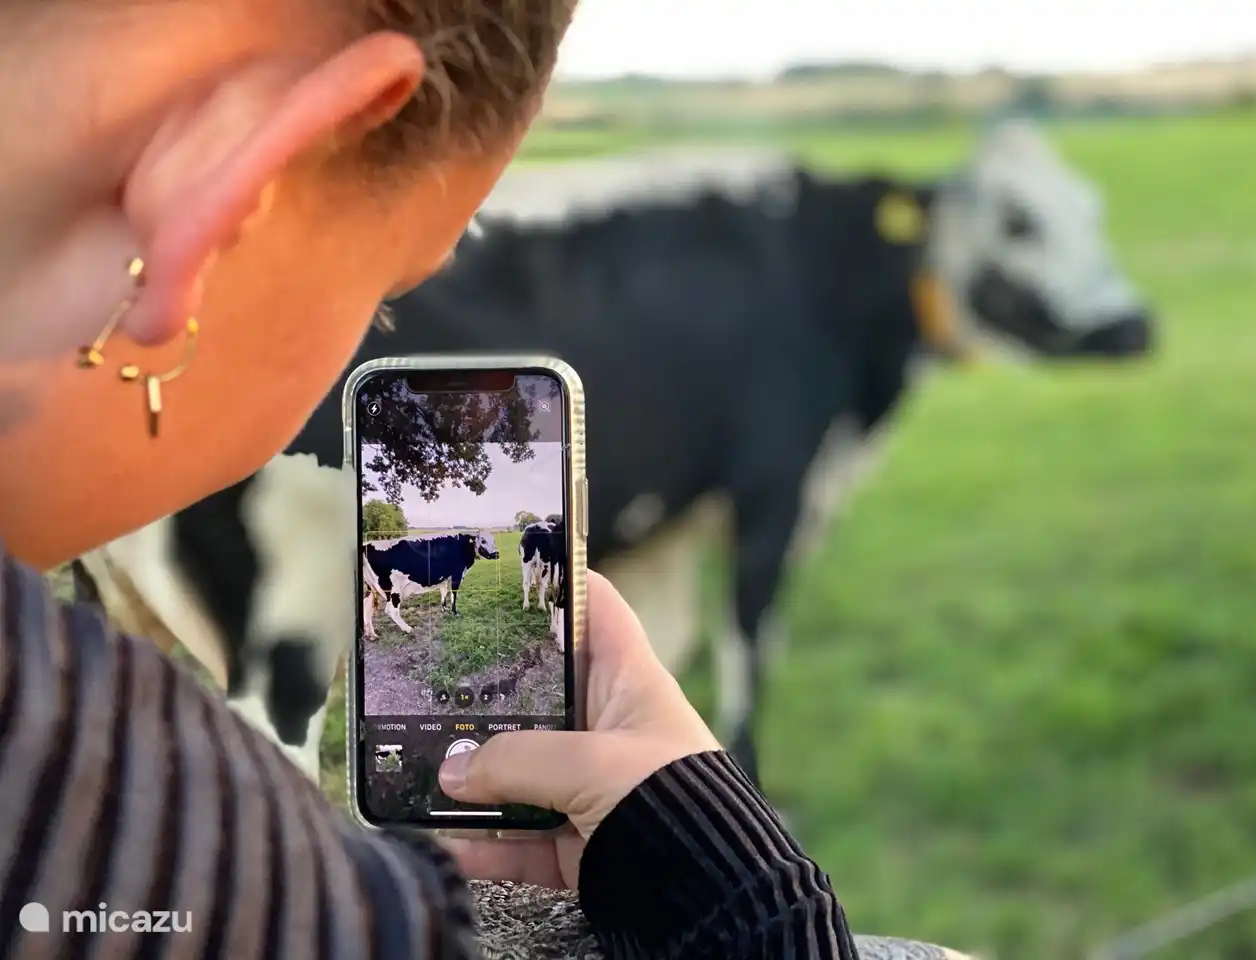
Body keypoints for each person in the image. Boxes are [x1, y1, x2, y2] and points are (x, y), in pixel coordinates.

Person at [0, 1, 855, 957]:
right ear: (228, 188)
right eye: (394, 288)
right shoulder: (152, 843)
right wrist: (736, 889)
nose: (377, 315)